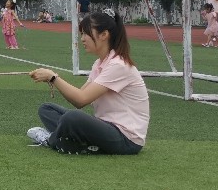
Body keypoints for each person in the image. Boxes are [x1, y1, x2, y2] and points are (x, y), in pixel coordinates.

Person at [27, 10, 149, 155]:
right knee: (46, 109)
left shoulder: (118, 65)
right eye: (82, 34)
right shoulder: (100, 63)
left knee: (72, 118)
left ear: (104, 35)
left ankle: (51, 140)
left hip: (126, 139)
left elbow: (81, 100)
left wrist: (53, 78)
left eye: (86, 33)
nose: (82, 39)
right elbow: (80, 95)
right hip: (106, 128)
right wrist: (52, 77)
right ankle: (78, 142)